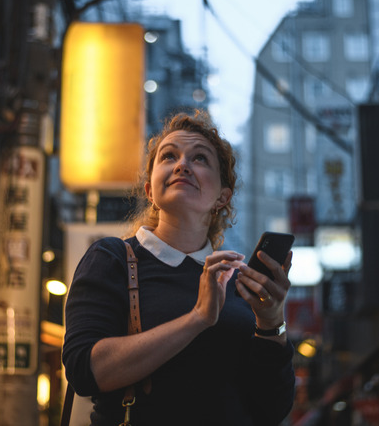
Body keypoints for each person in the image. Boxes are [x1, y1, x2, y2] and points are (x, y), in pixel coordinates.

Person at [62, 110, 296, 425]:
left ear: (222, 197)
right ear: (150, 191)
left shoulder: (242, 281)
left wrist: (271, 324)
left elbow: (272, 409)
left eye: (200, 159)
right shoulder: (113, 259)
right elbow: (84, 372)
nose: (182, 164)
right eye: (169, 157)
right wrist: (197, 319)